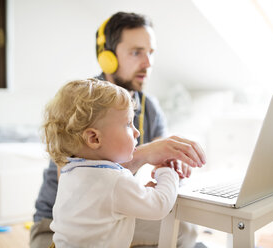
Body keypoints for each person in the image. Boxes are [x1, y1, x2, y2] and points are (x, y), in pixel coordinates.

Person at [30, 12, 206, 248]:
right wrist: (146, 153)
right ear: (108, 58)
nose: (148, 63)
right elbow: (82, 178)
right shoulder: (81, 105)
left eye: (150, 53)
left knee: (183, 228)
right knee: (179, 232)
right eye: (136, 52)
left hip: (113, 218)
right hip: (57, 229)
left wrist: (172, 160)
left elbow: (161, 161)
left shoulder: (149, 107)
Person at [43, 78, 179, 248]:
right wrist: (166, 172)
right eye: (128, 124)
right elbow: (159, 205)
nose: (137, 132)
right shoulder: (114, 180)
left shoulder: (70, 171)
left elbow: (105, 204)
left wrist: (142, 192)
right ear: (94, 138)